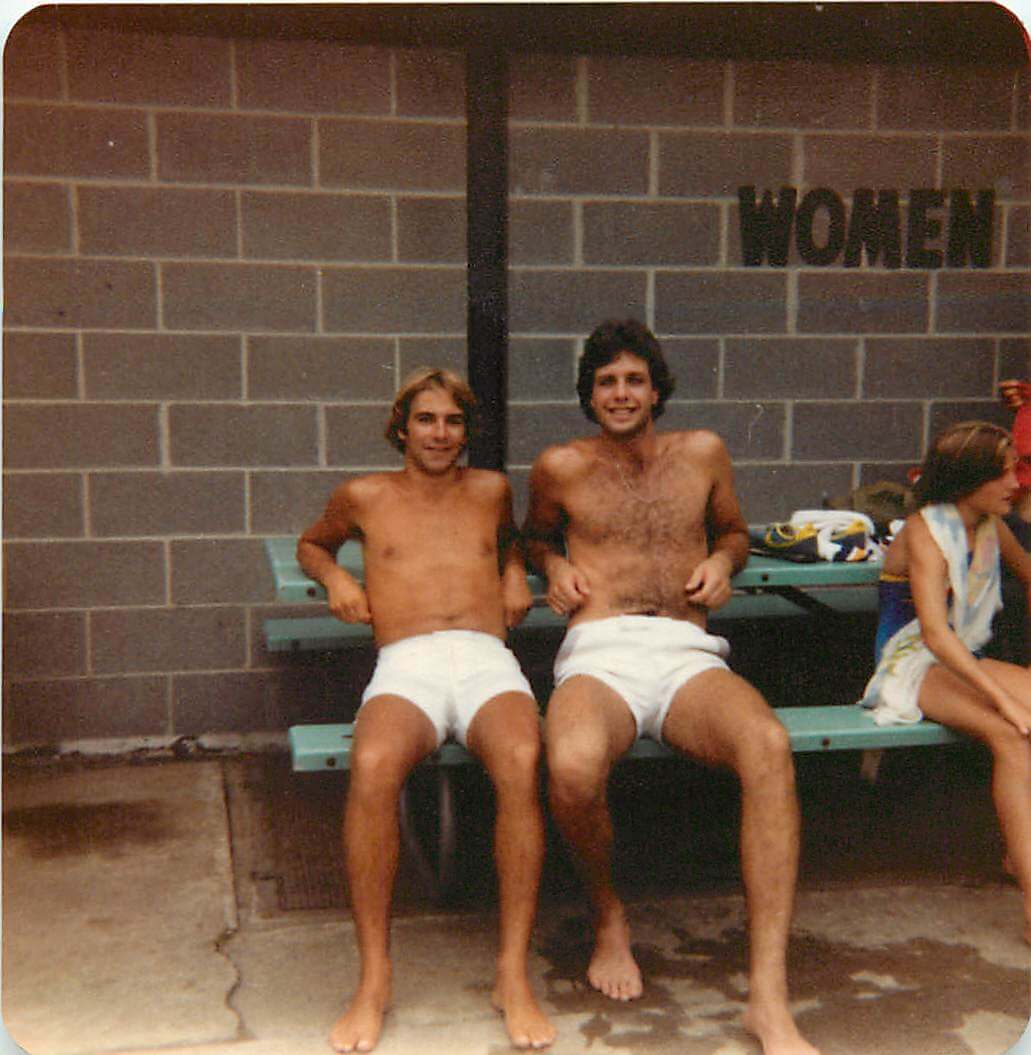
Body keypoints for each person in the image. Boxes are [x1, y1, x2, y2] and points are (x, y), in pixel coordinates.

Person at [523, 319, 820, 1055]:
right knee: (570, 766)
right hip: (601, 653)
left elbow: (734, 532)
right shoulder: (559, 466)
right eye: (606, 383)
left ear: (657, 389)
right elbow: (533, 537)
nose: (621, 394)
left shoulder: (703, 453)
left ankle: (768, 997)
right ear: (589, 395)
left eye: (634, 380)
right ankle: (608, 914)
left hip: (688, 653)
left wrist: (723, 562)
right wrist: (553, 567)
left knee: (767, 744)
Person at [297, 367, 556, 1052]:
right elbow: (312, 543)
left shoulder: (491, 489)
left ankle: (512, 972)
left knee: (522, 756)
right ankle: (374, 978)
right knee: (373, 763)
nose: (440, 433)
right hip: (407, 661)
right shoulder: (363, 494)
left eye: (452, 421)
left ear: (465, 431)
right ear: (401, 428)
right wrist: (337, 578)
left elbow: (510, 540)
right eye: (426, 420)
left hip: (484, 658)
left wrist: (510, 572)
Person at [860, 420, 1031, 943]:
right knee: (1011, 734)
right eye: (1004, 474)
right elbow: (934, 634)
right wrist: (1004, 699)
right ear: (967, 479)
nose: (1016, 483)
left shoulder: (990, 524)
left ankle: (1018, 852)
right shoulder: (925, 531)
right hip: (910, 662)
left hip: (963, 657)